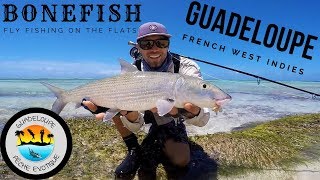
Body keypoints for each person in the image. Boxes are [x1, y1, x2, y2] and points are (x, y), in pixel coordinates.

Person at [82, 22, 216, 179]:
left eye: (161, 42)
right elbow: (136, 125)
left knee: (181, 161)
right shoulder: (134, 70)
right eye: (146, 43)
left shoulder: (186, 68)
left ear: (168, 45)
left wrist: (191, 111)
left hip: (174, 118)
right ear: (138, 47)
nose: (154, 48)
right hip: (143, 111)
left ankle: (165, 137)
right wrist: (129, 114)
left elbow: (202, 120)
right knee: (116, 100)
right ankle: (133, 148)